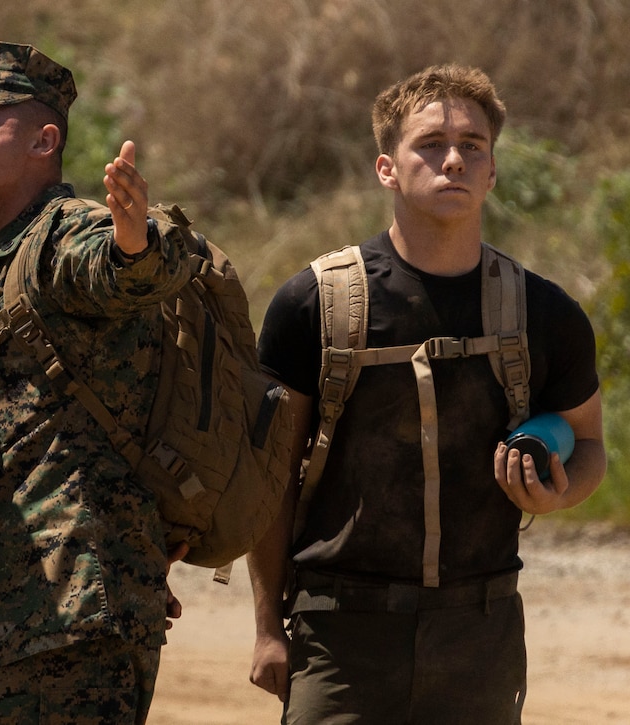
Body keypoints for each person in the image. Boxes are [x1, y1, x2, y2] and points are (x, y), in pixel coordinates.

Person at [247, 63, 607, 724]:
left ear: (493, 171)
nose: (454, 161)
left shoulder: (543, 311)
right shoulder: (316, 302)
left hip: (481, 633)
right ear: (386, 168)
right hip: (339, 634)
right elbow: (269, 479)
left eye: (473, 146)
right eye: (430, 144)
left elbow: (588, 445)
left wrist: (561, 491)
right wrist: (269, 625)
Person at [0, 38, 190, 724]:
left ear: (45, 140)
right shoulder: (3, 262)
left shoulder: (59, 234)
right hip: (22, 623)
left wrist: (134, 241)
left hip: (69, 632)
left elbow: (121, 266)